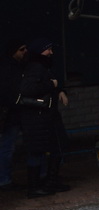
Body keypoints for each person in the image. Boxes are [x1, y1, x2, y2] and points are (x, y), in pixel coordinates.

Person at [17, 38, 70, 197]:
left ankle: (49, 181)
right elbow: (28, 89)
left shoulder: (42, 66)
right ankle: (35, 187)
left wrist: (59, 89)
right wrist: (52, 86)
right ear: (40, 51)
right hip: (38, 118)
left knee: (54, 147)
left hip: (45, 116)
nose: (51, 52)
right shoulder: (35, 67)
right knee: (38, 151)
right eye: (48, 49)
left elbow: (50, 82)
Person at [1, 39, 28, 190]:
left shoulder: (17, 66)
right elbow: (8, 92)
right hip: (13, 113)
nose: (25, 52)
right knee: (8, 146)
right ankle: (4, 179)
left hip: (16, 112)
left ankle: (5, 178)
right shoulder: (9, 68)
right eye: (21, 49)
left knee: (9, 146)